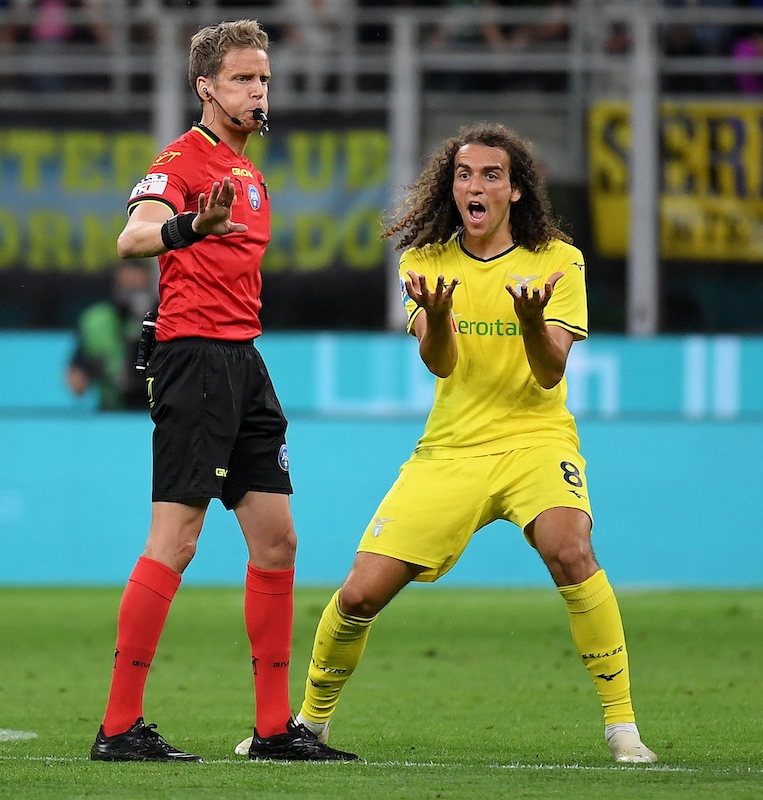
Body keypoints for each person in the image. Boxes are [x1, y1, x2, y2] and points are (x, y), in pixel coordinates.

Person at [238, 123, 657, 764]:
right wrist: (435, 315)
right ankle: (309, 723)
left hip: (535, 440)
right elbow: (439, 364)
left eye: (491, 175)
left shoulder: (558, 261)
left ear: (516, 190)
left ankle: (624, 728)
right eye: (465, 175)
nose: (476, 186)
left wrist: (528, 320)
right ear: (451, 186)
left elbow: (550, 372)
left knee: (571, 551)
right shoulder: (425, 262)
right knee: (358, 594)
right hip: (451, 449)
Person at [88, 19, 357, 763]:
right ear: (206, 86)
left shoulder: (248, 169)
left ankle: (274, 730)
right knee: (175, 543)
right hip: (194, 361)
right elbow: (132, 237)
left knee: (277, 541)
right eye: (243, 79)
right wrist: (186, 227)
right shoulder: (183, 160)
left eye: (264, 79)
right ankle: (117, 728)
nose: (257, 90)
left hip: (243, 361)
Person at [64, 259, 156, 411]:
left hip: (157, 411)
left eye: (137, 288)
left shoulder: (165, 317)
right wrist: (92, 370)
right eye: (126, 287)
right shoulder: (96, 322)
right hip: (113, 411)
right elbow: (76, 382)